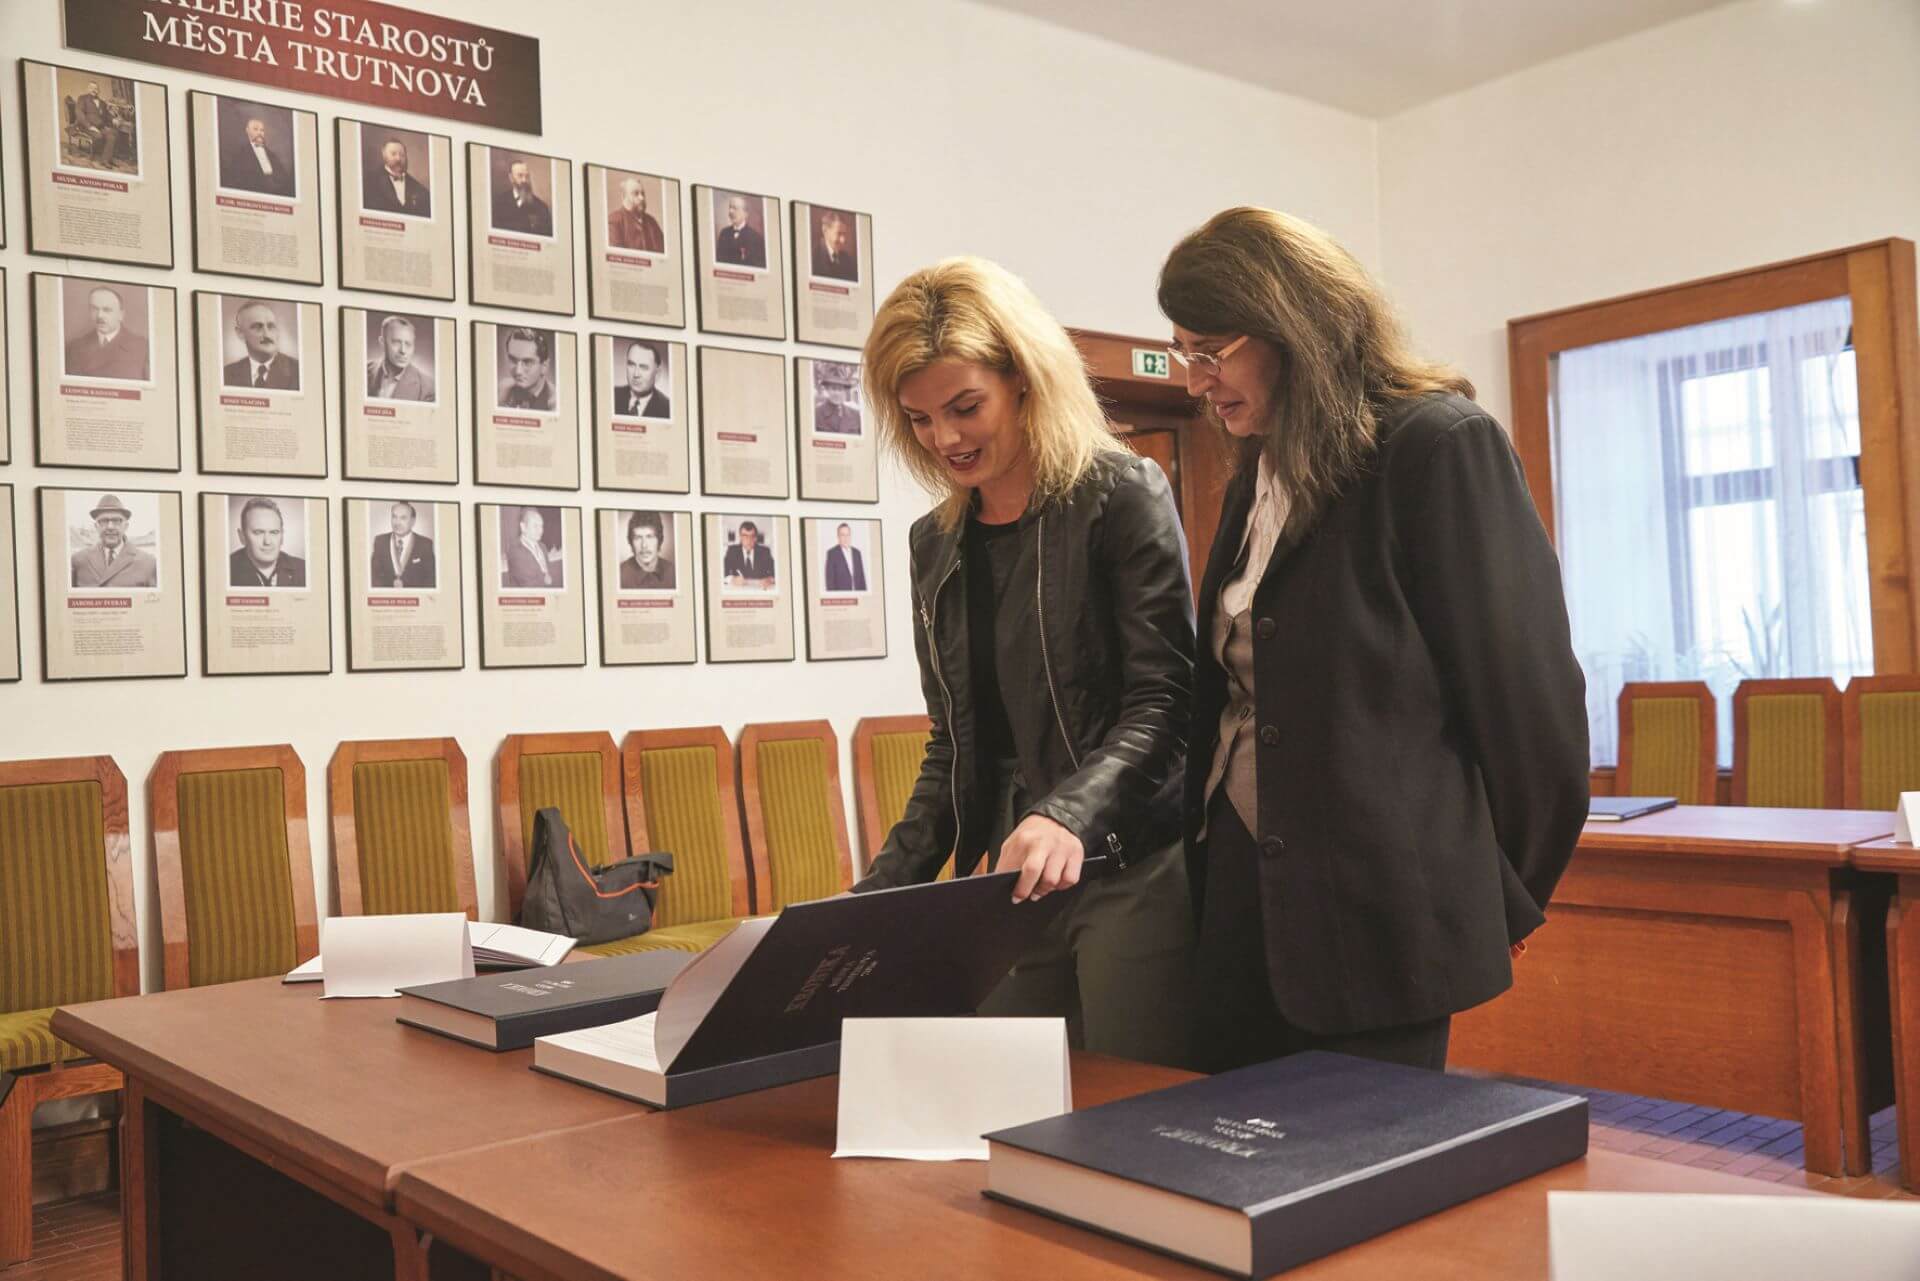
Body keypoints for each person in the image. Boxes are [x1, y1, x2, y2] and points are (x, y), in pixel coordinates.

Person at [1157, 207, 1590, 1075]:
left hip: (1380, 919)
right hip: (1242, 904)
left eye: (1212, 350)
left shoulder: (1438, 445)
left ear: (1292, 323)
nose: (1195, 380)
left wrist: (1495, 898)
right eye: (1183, 354)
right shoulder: (1254, 479)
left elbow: (1532, 710)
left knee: (1364, 1197)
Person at [852, 256, 1197, 1070]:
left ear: (1025, 382)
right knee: (1003, 1109)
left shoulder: (1121, 494)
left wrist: (1068, 814)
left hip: (1131, 870)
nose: (946, 439)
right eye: (921, 419)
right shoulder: (934, 544)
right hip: (1007, 882)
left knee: (1131, 1114)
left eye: (966, 407)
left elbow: (1164, 700)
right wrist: (871, 897)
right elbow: (953, 745)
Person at [70, 495, 157, 589]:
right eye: (104, 521)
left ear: (126, 526)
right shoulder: (77, 561)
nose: (110, 527)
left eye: (116, 521)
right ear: (96, 526)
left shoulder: (148, 563)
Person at [65, 285, 148, 382]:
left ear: (121, 315)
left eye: (107, 310)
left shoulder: (142, 347)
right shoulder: (74, 348)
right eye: (94, 309)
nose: (99, 316)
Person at [228, 497, 306, 588]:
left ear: (282, 536)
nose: (267, 542)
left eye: (274, 532)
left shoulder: (303, 570)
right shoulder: (225, 571)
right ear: (242, 536)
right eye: (258, 532)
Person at [223, 301, 300, 391]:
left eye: (271, 326)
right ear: (240, 333)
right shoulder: (226, 374)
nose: (267, 335)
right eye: (258, 327)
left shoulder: (299, 372)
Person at [221, 112, 295, 198]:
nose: (260, 133)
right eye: (255, 129)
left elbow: (283, 177)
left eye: (262, 130)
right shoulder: (240, 155)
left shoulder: (272, 155)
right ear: (247, 130)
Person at [366, 315, 433, 402]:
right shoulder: (362, 371)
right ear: (382, 343)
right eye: (396, 342)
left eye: (408, 344)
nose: (403, 351)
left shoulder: (428, 388)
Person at [370, 501, 435, 589]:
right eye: (394, 517)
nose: (397, 523)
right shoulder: (380, 541)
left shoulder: (425, 544)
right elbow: (374, 576)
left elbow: (430, 581)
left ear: (413, 521)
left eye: (403, 518)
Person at [363, 135, 430, 216]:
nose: (398, 158)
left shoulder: (420, 189)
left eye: (402, 155)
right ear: (384, 155)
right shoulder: (369, 181)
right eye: (393, 154)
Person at [498, 328, 556, 412]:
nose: (518, 371)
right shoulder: (502, 391)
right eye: (513, 360)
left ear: (544, 366)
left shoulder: (555, 403)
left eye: (527, 362)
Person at [492, 156, 553, 236]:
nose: (524, 180)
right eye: (520, 176)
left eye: (527, 176)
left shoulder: (541, 207)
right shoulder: (499, 203)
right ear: (511, 178)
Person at [504, 507, 561, 589]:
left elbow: (548, 573)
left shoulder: (542, 546)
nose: (540, 530)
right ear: (523, 527)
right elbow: (528, 584)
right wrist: (545, 578)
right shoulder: (514, 550)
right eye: (535, 526)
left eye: (541, 526)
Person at [619, 511, 675, 590]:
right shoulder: (620, 575)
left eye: (650, 537)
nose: (644, 545)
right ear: (631, 542)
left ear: (659, 540)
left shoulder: (673, 571)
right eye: (638, 538)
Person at [608, 177, 665, 252]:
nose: (642, 198)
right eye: (636, 193)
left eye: (643, 194)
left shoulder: (652, 222)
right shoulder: (614, 221)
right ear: (623, 197)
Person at [614, 341, 670, 419]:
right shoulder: (612, 395)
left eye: (643, 367)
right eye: (631, 364)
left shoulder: (667, 409)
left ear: (657, 374)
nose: (636, 374)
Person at [714, 194, 766, 269]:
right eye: (730, 208)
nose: (730, 211)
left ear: (745, 214)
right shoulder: (724, 233)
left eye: (735, 208)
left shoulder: (756, 238)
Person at [721, 520, 776, 588]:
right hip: (739, 591)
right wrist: (732, 579)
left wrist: (770, 579)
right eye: (745, 536)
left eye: (752, 536)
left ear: (756, 538)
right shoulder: (732, 551)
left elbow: (776, 572)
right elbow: (722, 572)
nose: (749, 540)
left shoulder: (764, 551)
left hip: (760, 591)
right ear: (740, 537)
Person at [811, 208, 859, 282]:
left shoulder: (848, 261)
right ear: (825, 231)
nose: (843, 240)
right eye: (839, 233)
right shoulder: (813, 258)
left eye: (844, 234)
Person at [823, 523, 866, 592]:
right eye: (843, 535)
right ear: (838, 536)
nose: (846, 538)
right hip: (841, 598)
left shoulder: (857, 553)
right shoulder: (832, 554)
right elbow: (830, 582)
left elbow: (862, 579)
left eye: (848, 535)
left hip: (858, 596)